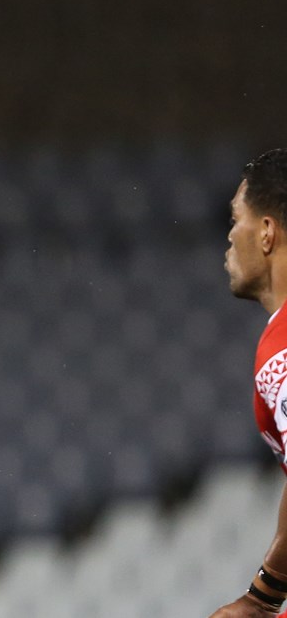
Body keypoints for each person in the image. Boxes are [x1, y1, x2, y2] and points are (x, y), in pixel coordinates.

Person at [215, 148, 287, 618]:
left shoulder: (282, 348)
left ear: (266, 232)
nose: (228, 236)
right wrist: (267, 595)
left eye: (235, 219)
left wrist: (262, 596)